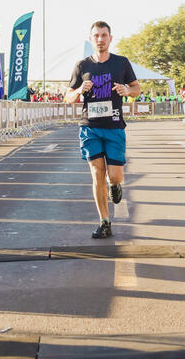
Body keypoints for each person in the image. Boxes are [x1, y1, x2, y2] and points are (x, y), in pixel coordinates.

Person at [66, 21, 140, 239]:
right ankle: (104, 221)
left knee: (114, 176)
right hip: (90, 127)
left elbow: (137, 88)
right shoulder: (82, 66)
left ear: (110, 38)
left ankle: (115, 186)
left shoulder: (121, 63)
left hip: (114, 126)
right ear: (91, 39)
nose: (100, 39)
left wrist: (126, 89)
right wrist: (79, 89)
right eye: (96, 36)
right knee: (97, 173)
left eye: (104, 35)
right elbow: (68, 97)